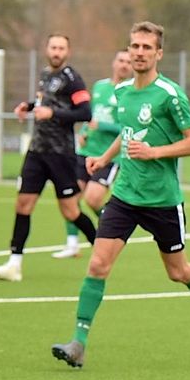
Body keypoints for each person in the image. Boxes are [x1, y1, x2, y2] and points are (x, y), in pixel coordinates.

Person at [51, 22, 190, 368]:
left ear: (158, 54)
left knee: (178, 272)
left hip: (162, 199)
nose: (139, 52)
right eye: (134, 46)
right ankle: (78, 343)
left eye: (146, 47)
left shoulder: (170, 93)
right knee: (98, 263)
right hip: (124, 195)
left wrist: (155, 153)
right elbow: (128, 131)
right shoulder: (121, 93)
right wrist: (104, 158)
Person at [0, 34, 95, 282]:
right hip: (37, 152)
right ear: (47, 49)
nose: (56, 51)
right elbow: (46, 102)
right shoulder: (46, 74)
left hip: (61, 154)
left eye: (61, 48)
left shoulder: (72, 79)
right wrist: (29, 106)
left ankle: (100, 247)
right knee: (23, 205)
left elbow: (85, 112)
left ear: (68, 51)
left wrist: (52, 112)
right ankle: (14, 264)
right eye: (53, 47)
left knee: (70, 211)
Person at [52, 50, 133, 259]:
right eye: (121, 60)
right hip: (86, 152)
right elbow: (91, 116)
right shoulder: (100, 87)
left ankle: (112, 231)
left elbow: (128, 128)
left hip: (109, 156)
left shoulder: (131, 92)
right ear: (114, 63)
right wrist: (85, 132)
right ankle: (72, 244)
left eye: (128, 62)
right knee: (70, 197)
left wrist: (103, 126)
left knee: (93, 199)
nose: (124, 65)